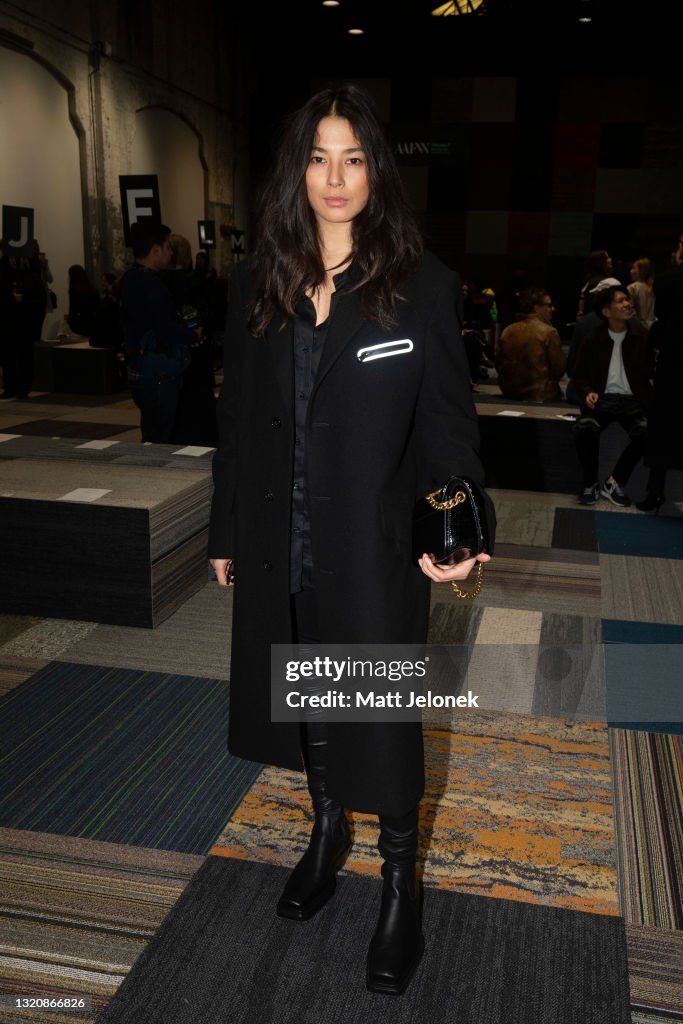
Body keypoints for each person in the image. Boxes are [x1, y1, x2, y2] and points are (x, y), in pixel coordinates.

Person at [208, 84, 494, 996]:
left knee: (380, 716)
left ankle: (400, 884)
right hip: (278, 538)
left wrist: (453, 517)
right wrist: (226, 528)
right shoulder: (261, 280)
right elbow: (241, 420)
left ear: (377, 170)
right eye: (318, 158)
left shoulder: (422, 287)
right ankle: (326, 829)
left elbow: (448, 424)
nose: (334, 178)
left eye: (353, 158)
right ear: (297, 170)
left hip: (371, 546)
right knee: (305, 698)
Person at [572, 285, 652, 506]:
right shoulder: (593, 339)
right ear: (606, 312)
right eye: (621, 301)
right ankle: (590, 483)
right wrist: (587, 393)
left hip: (633, 403)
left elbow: (651, 370)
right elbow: (579, 376)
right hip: (603, 401)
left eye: (627, 300)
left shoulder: (641, 337)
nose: (627, 304)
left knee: (647, 433)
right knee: (584, 428)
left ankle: (615, 482)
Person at [120, 222, 197, 443]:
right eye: (166, 247)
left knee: (152, 428)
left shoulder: (130, 278)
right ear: (155, 250)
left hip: (141, 365)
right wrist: (192, 336)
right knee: (160, 431)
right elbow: (163, 327)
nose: (170, 252)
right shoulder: (151, 284)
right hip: (158, 369)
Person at [636, 234, 683, 512]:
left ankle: (655, 492)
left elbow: (662, 320)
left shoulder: (666, 280)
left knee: (664, 426)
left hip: (673, 362)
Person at [495, 288, 566, 402]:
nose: (552, 309)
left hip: (510, 391)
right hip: (540, 393)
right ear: (536, 308)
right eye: (548, 305)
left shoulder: (508, 330)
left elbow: (499, 364)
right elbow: (559, 369)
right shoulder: (549, 332)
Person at [576, 250, 613, 319]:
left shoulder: (591, 279)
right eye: (607, 257)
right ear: (601, 262)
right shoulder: (600, 282)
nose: (610, 259)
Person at [67, 265, 100, 337]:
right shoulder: (91, 288)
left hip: (80, 322)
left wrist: (70, 321)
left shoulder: (74, 290)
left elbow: (73, 308)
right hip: (93, 321)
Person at [627, 257, 656, 328]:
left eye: (634, 268)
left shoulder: (632, 288)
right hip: (655, 325)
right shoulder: (654, 286)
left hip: (641, 327)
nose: (630, 271)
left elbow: (630, 311)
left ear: (642, 270)